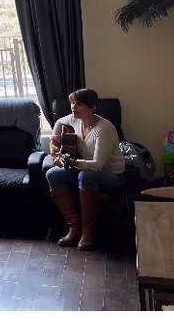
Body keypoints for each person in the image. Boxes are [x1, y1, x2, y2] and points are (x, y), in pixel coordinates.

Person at [46, 88, 125, 250]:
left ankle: (88, 232)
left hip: (111, 175)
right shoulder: (75, 119)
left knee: (86, 176)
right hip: (84, 168)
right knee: (53, 174)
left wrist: (71, 162)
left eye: (79, 104)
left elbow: (97, 164)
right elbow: (59, 122)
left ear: (92, 107)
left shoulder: (104, 129)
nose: (74, 107)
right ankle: (74, 228)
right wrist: (53, 142)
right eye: (72, 103)